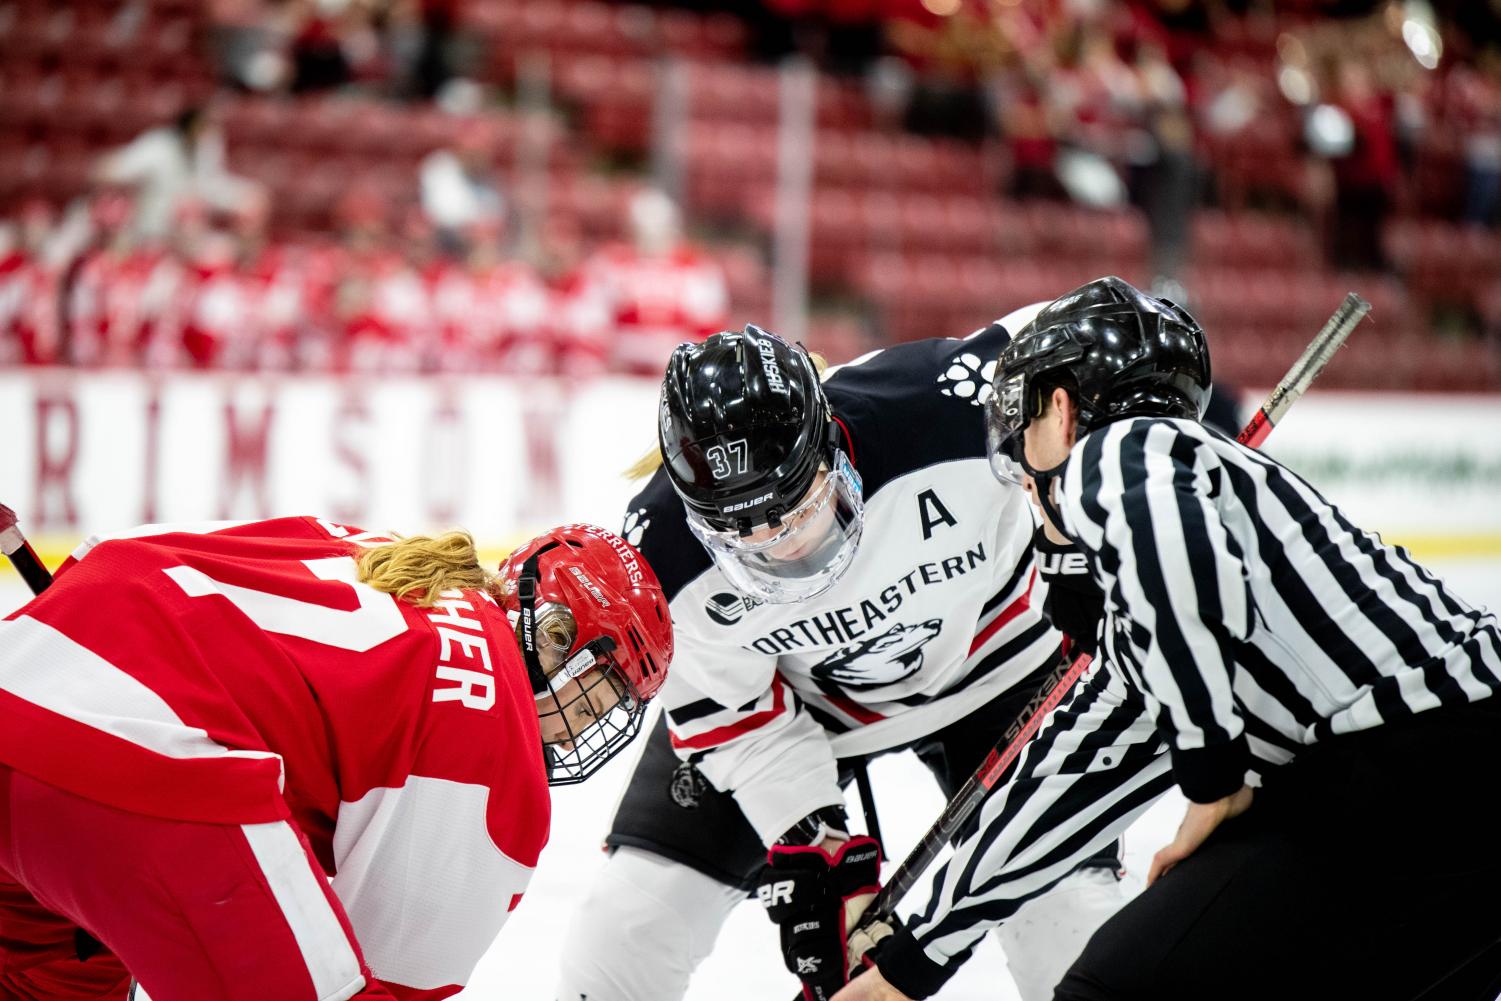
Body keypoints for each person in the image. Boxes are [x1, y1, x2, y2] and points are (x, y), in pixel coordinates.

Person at [834, 276, 1501, 1001]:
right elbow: (1069, 776)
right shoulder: (1169, 584)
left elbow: (1171, 551)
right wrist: (912, 958)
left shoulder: (1120, 450)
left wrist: (1212, 776)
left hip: (1419, 768)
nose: (1021, 478)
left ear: (1060, 410)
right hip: (1448, 790)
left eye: (1018, 427)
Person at [556, 321, 1134, 1001]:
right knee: (623, 932)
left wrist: (1099, 551)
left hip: (996, 665)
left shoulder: (950, 400)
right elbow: (733, 716)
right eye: (747, 536)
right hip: (799, 706)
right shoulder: (663, 559)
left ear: (832, 443)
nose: (784, 550)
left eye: (798, 512)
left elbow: (1098, 343)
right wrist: (817, 846)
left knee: (1069, 929)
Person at [0, 515, 673, 1001]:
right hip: (143, 774)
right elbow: (391, 975)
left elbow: (125, 555)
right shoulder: (496, 737)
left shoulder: (387, 549)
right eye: (590, 701)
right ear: (556, 634)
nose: (574, 731)